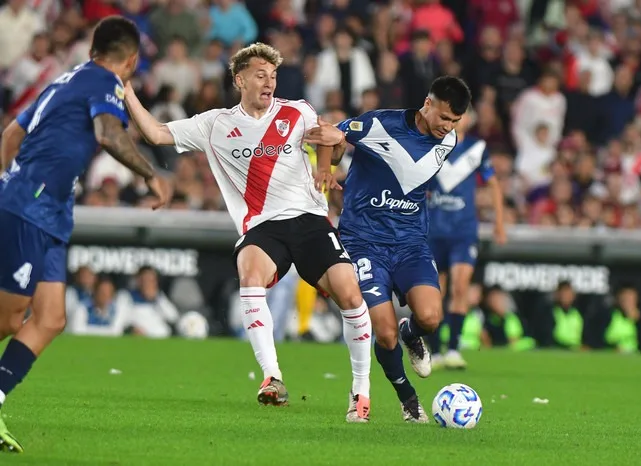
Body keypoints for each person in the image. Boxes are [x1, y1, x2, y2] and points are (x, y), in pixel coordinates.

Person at [122, 42, 373, 422]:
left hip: (307, 219)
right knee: (250, 273)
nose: (268, 81)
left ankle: (360, 391)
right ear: (240, 80)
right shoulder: (215, 124)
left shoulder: (296, 111)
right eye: (260, 75)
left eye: (272, 76)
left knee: (350, 293)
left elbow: (330, 137)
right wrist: (127, 91)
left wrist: (328, 166)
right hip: (260, 226)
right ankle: (272, 377)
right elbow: (155, 134)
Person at [0, 16, 169, 453]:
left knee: (51, 317)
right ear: (130, 60)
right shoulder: (102, 82)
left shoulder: (66, 81)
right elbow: (109, 132)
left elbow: (10, 135)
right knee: (7, 317)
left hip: (51, 210)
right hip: (30, 205)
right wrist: (150, 175)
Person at [305, 76, 477, 422]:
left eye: (455, 121)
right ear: (427, 104)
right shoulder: (379, 123)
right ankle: (407, 398)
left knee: (430, 317)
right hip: (364, 240)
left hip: (411, 241)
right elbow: (328, 133)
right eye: (444, 117)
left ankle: (410, 333)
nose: (448, 127)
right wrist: (326, 168)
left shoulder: (450, 139)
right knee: (381, 332)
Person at [424, 109, 506, 370]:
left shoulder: (476, 149)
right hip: (433, 231)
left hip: (463, 231)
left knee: (461, 288)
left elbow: (493, 185)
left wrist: (499, 223)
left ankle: (454, 348)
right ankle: (435, 351)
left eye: (463, 115)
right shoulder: (431, 145)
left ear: (469, 120)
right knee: (436, 291)